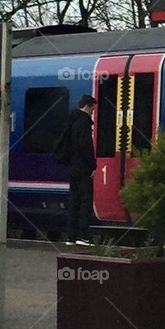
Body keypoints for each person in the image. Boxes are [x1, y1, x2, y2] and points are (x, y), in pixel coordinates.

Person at [61, 94, 97, 244]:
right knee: (85, 202)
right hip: (83, 169)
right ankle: (84, 236)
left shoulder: (71, 120)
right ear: (88, 106)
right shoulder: (83, 122)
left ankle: (71, 237)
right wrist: (93, 165)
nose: (93, 112)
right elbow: (85, 146)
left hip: (72, 168)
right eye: (93, 109)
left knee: (73, 201)